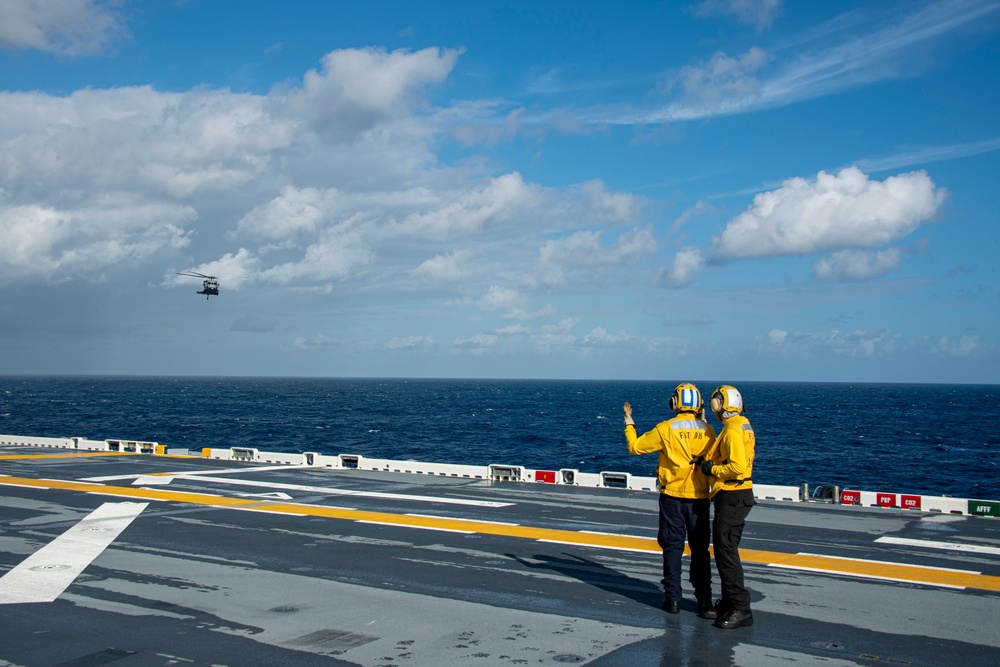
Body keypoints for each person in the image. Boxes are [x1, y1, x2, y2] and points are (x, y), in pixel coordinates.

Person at [623, 383, 716, 617]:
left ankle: (673, 600)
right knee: (700, 550)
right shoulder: (709, 430)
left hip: (672, 498)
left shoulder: (666, 429)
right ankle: (705, 602)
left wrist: (629, 421)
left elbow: (635, 448)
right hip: (700, 498)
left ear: (675, 403)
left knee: (672, 548)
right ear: (699, 405)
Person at [700, 384, 756, 629]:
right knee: (725, 551)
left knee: (726, 553)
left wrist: (711, 469)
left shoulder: (732, 431)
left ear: (720, 405)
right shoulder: (740, 424)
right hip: (736, 496)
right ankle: (729, 602)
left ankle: (741, 608)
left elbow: (737, 467)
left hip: (732, 495)